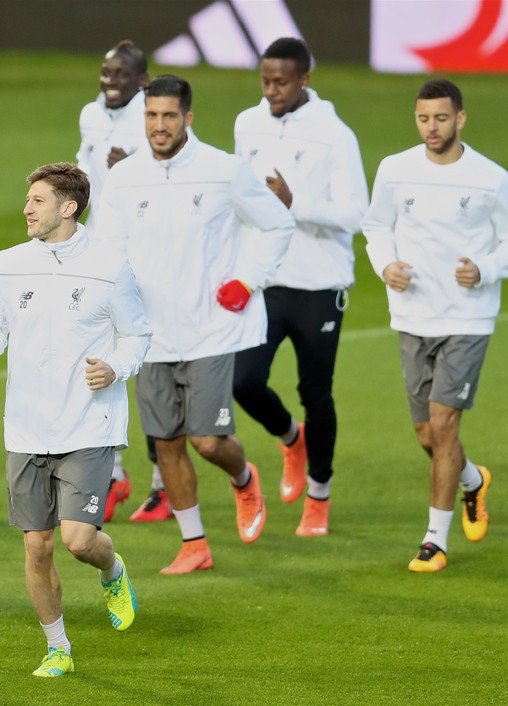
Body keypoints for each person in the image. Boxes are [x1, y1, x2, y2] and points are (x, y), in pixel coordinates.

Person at [96, 76, 295, 574]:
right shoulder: (123, 179)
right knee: (166, 443)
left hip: (211, 328)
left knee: (207, 440)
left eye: (168, 116)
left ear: (188, 117)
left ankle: (244, 478)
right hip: (149, 334)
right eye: (151, 116)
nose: (159, 126)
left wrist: (247, 280)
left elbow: (275, 223)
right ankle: (194, 544)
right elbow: (107, 251)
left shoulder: (224, 171)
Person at [0, 163, 148, 676]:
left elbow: (138, 336)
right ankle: (58, 648)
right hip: (25, 426)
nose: (26, 208)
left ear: (68, 208)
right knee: (38, 546)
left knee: (78, 540)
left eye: (38, 201)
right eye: (29, 200)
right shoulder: (8, 263)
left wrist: (115, 366)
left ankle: (112, 569)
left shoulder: (110, 266)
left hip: (89, 424)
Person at [362, 78, 508, 573]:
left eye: (441, 118)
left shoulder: (491, 178)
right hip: (413, 314)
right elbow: (376, 226)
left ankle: (434, 541)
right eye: (423, 118)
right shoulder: (394, 170)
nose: (431, 128)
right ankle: (473, 482)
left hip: (467, 317)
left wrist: (484, 268)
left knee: (443, 424)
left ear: (461, 118)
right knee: (426, 434)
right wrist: (385, 265)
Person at [230, 37, 368, 537]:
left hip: (318, 283)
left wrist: (294, 201)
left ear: (305, 80)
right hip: (265, 278)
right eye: (265, 81)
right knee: (242, 380)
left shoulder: (336, 135)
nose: (271, 91)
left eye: (281, 82)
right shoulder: (247, 124)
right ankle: (291, 439)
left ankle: (319, 498)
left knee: (316, 393)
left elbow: (356, 212)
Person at [74, 39, 169, 523]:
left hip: (144, 263)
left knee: (148, 370)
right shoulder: (92, 115)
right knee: (99, 364)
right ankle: (111, 473)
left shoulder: (153, 123)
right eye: (105, 73)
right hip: (99, 258)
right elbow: (82, 175)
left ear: (142, 82)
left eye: (120, 75)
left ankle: (161, 482)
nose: (110, 82)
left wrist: (127, 167)